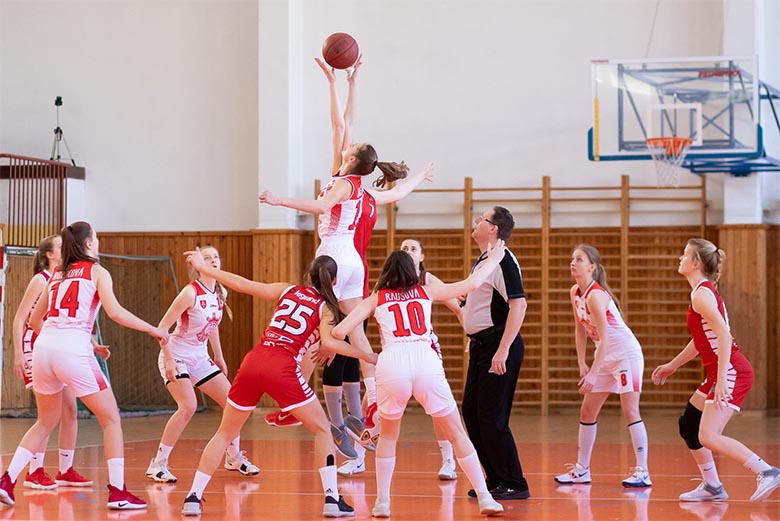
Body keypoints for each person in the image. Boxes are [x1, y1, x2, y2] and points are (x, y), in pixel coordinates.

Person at [260, 55, 434, 458]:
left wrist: (277, 200)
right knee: (356, 332)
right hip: (356, 262)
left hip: (334, 256)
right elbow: (346, 126)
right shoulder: (368, 190)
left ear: (351, 160)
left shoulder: (342, 183)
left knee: (306, 328)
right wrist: (343, 83)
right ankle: (374, 403)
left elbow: (322, 210)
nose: (344, 140)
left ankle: (294, 400)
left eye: (349, 147)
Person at [180, 251, 378, 517]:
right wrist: (366, 354)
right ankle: (332, 499)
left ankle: (193, 497)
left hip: (253, 360)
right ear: (334, 282)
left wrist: (205, 269)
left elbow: (242, 284)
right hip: (281, 367)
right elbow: (331, 343)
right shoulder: (327, 308)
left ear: (308, 276)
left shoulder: (288, 290)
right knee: (321, 429)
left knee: (224, 433)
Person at [330, 245, 509, 517]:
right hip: (425, 359)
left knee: (389, 436)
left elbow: (339, 331)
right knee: (457, 433)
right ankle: (485, 497)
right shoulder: (426, 290)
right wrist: (494, 259)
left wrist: (364, 353)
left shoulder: (376, 298)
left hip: (392, 362)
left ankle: (382, 502)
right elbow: (471, 283)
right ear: (412, 271)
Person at [0, 221, 169, 510]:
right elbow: (115, 313)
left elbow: (34, 321)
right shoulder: (97, 271)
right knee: (111, 419)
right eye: (97, 238)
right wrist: (153, 329)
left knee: (45, 421)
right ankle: (118, 492)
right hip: (72, 350)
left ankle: (6, 480)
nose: (99, 242)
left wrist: (69, 341)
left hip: (43, 349)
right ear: (88, 244)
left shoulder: (56, 273)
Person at [652, 238, 780, 502]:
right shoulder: (701, 291)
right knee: (689, 424)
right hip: (721, 370)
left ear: (696, 263)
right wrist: (673, 365)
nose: (680, 259)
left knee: (708, 435)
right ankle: (712, 486)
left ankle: (767, 471)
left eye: (684, 255)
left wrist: (721, 379)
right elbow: (703, 338)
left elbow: (723, 334)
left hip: (731, 370)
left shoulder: (701, 294)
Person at [145, 245, 258, 483]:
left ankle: (234, 457)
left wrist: (219, 356)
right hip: (176, 354)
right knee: (188, 406)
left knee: (234, 404)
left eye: (216, 256)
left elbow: (213, 327)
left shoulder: (219, 293)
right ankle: (158, 463)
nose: (213, 261)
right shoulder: (189, 293)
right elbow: (161, 329)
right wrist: (168, 360)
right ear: (198, 265)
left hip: (200, 357)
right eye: (207, 258)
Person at [554, 244, 651, 487]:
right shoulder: (575, 292)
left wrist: (594, 372)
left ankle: (643, 471)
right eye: (572, 258)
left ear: (592, 267)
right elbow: (580, 329)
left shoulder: (596, 295)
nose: (573, 263)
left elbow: (606, 337)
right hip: (604, 356)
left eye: (579, 259)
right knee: (587, 411)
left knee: (630, 411)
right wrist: (582, 363)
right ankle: (582, 469)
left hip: (624, 355)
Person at [11, 235, 94, 490]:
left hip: (59, 347)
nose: (65, 249)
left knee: (70, 411)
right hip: (36, 347)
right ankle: (34, 471)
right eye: (60, 246)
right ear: (49, 254)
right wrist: (18, 354)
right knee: (48, 415)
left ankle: (65, 469)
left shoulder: (66, 277)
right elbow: (19, 318)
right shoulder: (41, 279)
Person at [461, 206, 530, 500]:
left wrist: (501, 350)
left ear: (493, 230)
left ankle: (514, 481)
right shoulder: (485, 260)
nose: (476, 221)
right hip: (482, 345)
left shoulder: (503, 260)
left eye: (482, 218)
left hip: (498, 347)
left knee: (492, 417)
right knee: (473, 414)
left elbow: (519, 304)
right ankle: (495, 478)